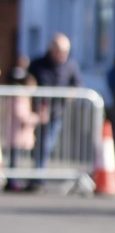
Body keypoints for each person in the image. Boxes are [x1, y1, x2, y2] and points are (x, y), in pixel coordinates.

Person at [28, 34, 81, 187]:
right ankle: (38, 175)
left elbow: (76, 84)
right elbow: (29, 82)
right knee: (40, 143)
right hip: (38, 110)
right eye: (59, 51)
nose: (62, 55)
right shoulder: (38, 64)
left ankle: (39, 172)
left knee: (47, 142)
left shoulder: (71, 65)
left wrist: (70, 95)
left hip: (57, 111)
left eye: (65, 51)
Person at [3, 65, 40, 192]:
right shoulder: (19, 96)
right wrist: (36, 118)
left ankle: (13, 180)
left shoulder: (18, 95)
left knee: (15, 158)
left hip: (17, 132)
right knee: (15, 159)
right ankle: (12, 181)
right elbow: (22, 115)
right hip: (17, 133)